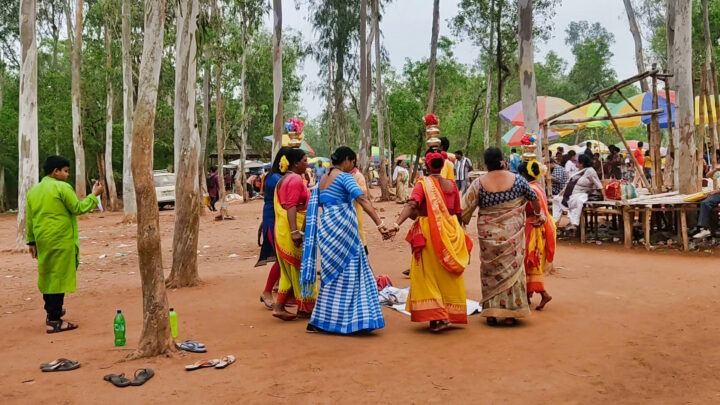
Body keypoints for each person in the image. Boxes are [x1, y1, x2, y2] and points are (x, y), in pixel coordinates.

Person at [301, 147, 390, 334]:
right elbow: (363, 200)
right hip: (343, 230)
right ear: (347, 160)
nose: (354, 166)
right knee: (350, 273)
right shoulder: (344, 177)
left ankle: (320, 320)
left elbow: (315, 205)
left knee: (330, 276)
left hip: (327, 230)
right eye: (353, 162)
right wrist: (380, 223)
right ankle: (354, 320)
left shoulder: (322, 180)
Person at [461, 147, 544, 326]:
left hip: (488, 234)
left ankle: (491, 312)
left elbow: (465, 209)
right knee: (512, 269)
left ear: (486, 164)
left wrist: (459, 226)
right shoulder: (518, 180)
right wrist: (539, 215)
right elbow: (533, 197)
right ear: (502, 161)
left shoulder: (479, 183)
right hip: (511, 233)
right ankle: (510, 313)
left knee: (490, 270)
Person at [392, 150, 472, 332]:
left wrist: (396, 224)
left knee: (428, 274)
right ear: (443, 165)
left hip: (429, 232)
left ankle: (437, 317)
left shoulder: (423, 184)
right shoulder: (452, 185)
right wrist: (459, 237)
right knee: (447, 274)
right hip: (451, 230)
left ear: (427, 167)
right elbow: (458, 212)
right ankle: (450, 312)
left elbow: (412, 204)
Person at [26, 155, 104, 333]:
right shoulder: (62, 187)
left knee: (48, 275)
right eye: (66, 171)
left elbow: (30, 219)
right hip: (60, 239)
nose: (67, 174)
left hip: (43, 240)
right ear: (56, 172)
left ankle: (52, 312)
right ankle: (54, 320)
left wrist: (31, 241)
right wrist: (94, 195)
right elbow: (78, 208)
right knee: (58, 278)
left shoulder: (34, 191)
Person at [273, 148, 317, 320]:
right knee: (301, 269)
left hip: (282, 229)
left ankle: (279, 306)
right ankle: (305, 307)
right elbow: (291, 206)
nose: (307, 163)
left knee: (287, 272)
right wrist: (295, 232)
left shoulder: (284, 179)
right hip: (292, 229)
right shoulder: (295, 180)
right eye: (305, 160)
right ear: (296, 163)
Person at [518, 161, 555, 310]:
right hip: (539, 226)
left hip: (532, 226)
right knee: (532, 260)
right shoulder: (538, 187)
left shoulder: (530, 188)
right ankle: (528, 294)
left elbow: (528, 208)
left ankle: (542, 293)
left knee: (529, 260)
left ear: (523, 174)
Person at [256, 148, 290, 310]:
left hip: (273, 217)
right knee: (281, 257)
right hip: (274, 219)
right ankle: (267, 291)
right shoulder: (277, 179)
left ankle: (282, 290)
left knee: (283, 257)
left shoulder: (274, 176)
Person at [552, 154, 603, 232]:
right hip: (569, 194)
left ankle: (574, 223)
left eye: (577, 161)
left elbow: (599, 185)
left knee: (578, 201)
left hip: (581, 193)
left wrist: (604, 196)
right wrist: (562, 192)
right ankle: (555, 222)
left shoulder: (590, 170)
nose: (575, 163)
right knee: (556, 199)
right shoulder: (577, 171)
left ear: (581, 163)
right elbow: (569, 183)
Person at [350, 164, 370, 253]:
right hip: (348, 208)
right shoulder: (343, 175)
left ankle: (364, 251)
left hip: (356, 206)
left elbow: (364, 191)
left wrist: (352, 184)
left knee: (358, 229)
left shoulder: (358, 175)